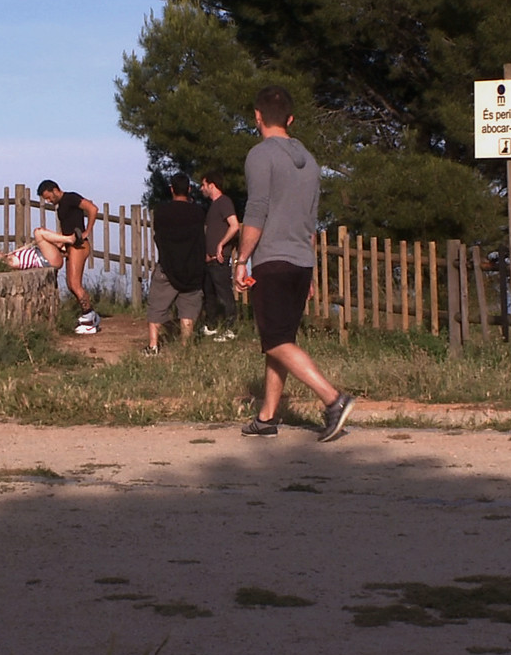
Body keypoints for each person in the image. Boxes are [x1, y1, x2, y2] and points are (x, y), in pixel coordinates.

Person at [234, 85, 354, 442]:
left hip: (272, 259)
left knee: (275, 341)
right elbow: (310, 221)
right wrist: (311, 270)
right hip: (300, 262)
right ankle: (267, 417)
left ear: (257, 117)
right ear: (291, 119)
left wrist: (241, 260)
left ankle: (333, 400)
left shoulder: (260, 155)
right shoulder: (311, 162)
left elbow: (256, 211)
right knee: (281, 339)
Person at [144, 173, 206, 355]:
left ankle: (153, 345)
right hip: (192, 267)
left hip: (168, 265)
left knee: (157, 306)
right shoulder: (198, 212)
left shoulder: (162, 211)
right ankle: (185, 347)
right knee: (188, 309)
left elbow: (158, 235)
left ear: (171, 189)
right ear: (189, 189)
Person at [36, 179, 100, 334]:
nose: (48, 201)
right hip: (70, 246)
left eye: (48, 197)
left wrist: (87, 232)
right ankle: (90, 315)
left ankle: (89, 318)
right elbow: (67, 228)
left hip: (79, 245)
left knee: (75, 284)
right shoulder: (60, 207)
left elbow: (92, 209)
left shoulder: (71, 198)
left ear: (55, 190)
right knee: (71, 285)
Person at [199, 171, 240, 342]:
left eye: (203, 185)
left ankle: (231, 328)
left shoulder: (224, 202)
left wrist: (221, 244)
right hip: (210, 260)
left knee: (224, 294)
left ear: (211, 185)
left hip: (220, 259)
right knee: (209, 294)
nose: (201, 189)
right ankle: (211, 326)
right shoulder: (214, 206)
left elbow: (234, 225)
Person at [0, 225, 75, 270]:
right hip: (47, 259)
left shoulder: (11, 256)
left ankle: (65, 241)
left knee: (41, 232)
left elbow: (1, 255)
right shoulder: (12, 262)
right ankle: (68, 239)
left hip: (47, 256)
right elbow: (5, 260)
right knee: (38, 232)